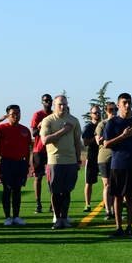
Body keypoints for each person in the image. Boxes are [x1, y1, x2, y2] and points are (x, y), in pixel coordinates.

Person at [102, 93, 132, 237]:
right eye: (124, 102)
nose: (127, 105)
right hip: (117, 164)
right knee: (117, 197)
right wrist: (123, 136)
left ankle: (129, 227)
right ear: (118, 105)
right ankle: (118, 228)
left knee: (131, 197)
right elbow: (106, 144)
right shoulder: (112, 123)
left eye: (129, 102)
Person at [40, 95, 82, 228]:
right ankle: (57, 218)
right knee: (55, 191)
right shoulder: (48, 120)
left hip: (70, 160)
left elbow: (77, 142)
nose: (62, 107)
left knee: (67, 191)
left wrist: (78, 159)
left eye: (64, 104)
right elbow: (45, 140)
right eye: (59, 104)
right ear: (54, 105)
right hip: (55, 161)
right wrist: (63, 131)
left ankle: (64, 217)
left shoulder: (74, 121)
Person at [0, 105, 31, 226]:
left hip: (20, 163)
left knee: (17, 190)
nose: (16, 116)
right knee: (7, 189)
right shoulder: (2, 127)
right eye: (13, 114)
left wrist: (27, 164)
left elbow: (28, 149)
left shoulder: (25, 130)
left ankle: (16, 216)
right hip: (7, 163)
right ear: (8, 115)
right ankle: (7, 217)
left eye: (18, 113)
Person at [29, 94, 52, 214]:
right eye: (46, 101)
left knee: (52, 178)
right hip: (39, 150)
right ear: (42, 102)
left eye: (50, 101)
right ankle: (38, 203)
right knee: (38, 177)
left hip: (51, 150)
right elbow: (34, 133)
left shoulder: (54, 115)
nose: (48, 103)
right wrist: (41, 126)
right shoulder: (37, 115)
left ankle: (53, 204)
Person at [95, 101, 117, 218]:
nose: (113, 112)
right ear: (106, 111)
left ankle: (115, 210)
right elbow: (98, 140)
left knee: (116, 185)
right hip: (105, 158)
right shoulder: (102, 124)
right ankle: (108, 210)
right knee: (107, 184)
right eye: (111, 110)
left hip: (117, 157)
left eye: (115, 110)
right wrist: (110, 135)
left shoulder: (119, 123)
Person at [81, 105, 101, 212]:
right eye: (95, 112)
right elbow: (85, 142)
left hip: (103, 157)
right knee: (89, 182)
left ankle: (110, 204)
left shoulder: (104, 125)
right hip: (92, 156)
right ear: (91, 114)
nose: (97, 114)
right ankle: (87, 204)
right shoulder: (88, 127)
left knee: (108, 182)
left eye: (99, 112)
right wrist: (97, 137)